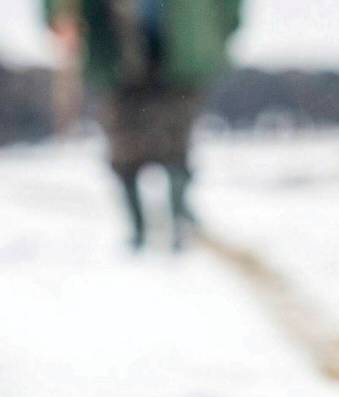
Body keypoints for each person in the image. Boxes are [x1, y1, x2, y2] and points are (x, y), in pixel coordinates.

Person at [45, 0, 242, 250]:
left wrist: (219, 32)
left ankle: (179, 222)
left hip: (183, 52)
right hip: (114, 51)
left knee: (176, 147)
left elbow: (231, 9)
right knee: (124, 149)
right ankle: (137, 231)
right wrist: (60, 18)